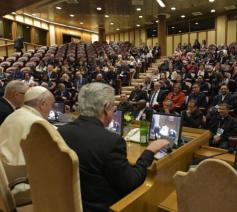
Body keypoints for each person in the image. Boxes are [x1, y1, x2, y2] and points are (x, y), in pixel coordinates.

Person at [58, 82, 169, 212]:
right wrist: (150, 151)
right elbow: (132, 182)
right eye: (113, 108)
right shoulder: (111, 141)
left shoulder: (62, 132)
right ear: (106, 107)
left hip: (72, 203)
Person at [0, 86, 55, 166]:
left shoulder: (13, 115)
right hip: (21, 174)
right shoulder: (40, 124)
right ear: (42, 104)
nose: (51, 109)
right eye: (51, 105)